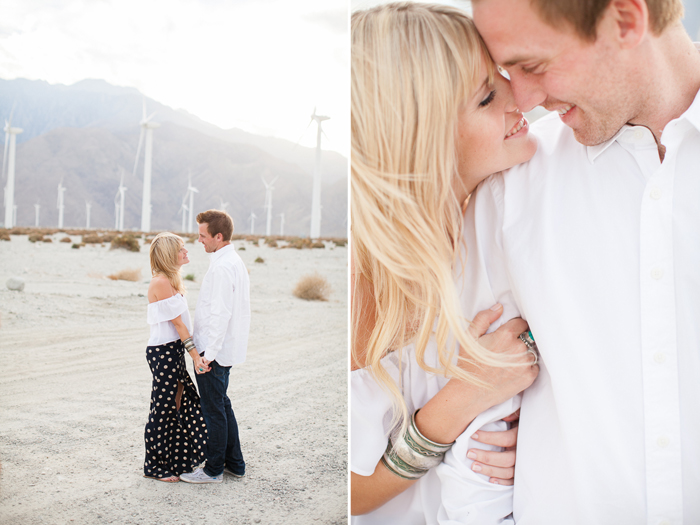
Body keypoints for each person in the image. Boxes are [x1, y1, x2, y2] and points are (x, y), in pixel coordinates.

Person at [461, 0, 700, 522]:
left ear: (626, 20)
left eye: (534, 66)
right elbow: (474, 451)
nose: (521, 98)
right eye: (506, 71)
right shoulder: (512, 185)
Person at [351, 3, 541, 523]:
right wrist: (463, 399)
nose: (519, 96)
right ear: (422, 136)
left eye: (503, 74)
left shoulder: (489, 218)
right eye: (486, 95)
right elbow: (349, 490)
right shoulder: (366, 281)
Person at [180, 209, 250, 484]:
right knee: (222, 405)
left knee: (213, 410)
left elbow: (220, 315)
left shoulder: (222, 267)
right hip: (224, 350)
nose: (199, 240)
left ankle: (213, 470)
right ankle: (236, 464)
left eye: (202, 235)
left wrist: (206, 355)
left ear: (218, 237)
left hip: (214, 353)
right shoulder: (232, 260)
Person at [144, 232, 209, 482]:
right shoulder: (160, 282)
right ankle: (155, 465)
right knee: (162, 408)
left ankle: (178, 459)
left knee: (179, 405)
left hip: (172, 350)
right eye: (181, 249)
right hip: (163, 352)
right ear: (170, 254)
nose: (186, 252)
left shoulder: (170, 281)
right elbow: (179, 326)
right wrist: (195, 356)